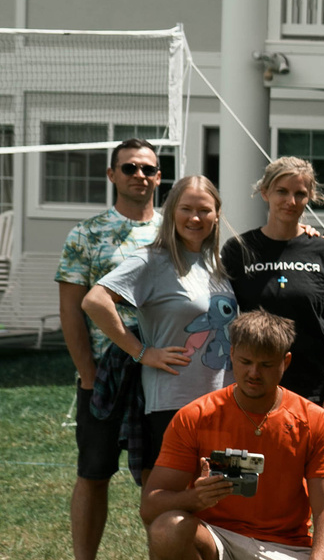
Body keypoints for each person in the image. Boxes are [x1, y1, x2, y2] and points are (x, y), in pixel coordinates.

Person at [141, 311, 324, 560]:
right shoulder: (195, 416)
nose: (253, 373)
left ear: (286, 362)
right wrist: (193, 497)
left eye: (265, 364)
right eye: (245, 361)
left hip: (285, 547)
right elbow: (150, 506)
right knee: (167, 528)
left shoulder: (313, 420)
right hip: (218, 547)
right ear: (231, 354)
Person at [56, 135, 161, 560]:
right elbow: (73, 311)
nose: (140, 175)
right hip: (106, 376)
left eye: (149, 169)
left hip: (161, 377)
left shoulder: (175, 229)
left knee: (161, 478)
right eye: (130, 168)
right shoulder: (86, 234)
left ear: (160, 177)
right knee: (93, 474)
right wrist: (88, 373)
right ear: (112, 175)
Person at [87, 174, 236, 490]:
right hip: (172, 404)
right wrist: (142, 352)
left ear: (217, 214)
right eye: (186, 209)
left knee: (218, 498)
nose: (195, 218)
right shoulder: (152, 259)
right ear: (170, 212)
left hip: (222, 403)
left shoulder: (216, 263)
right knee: (168, 501)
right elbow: (95, 301)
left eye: (204, 210)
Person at [223, 157, 324, 421]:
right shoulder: (239, 249)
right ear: (265, 192)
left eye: (300, 194)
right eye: (282, 191)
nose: (290, 201)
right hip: (253, 386)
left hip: (313, 387)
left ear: (310, 197)